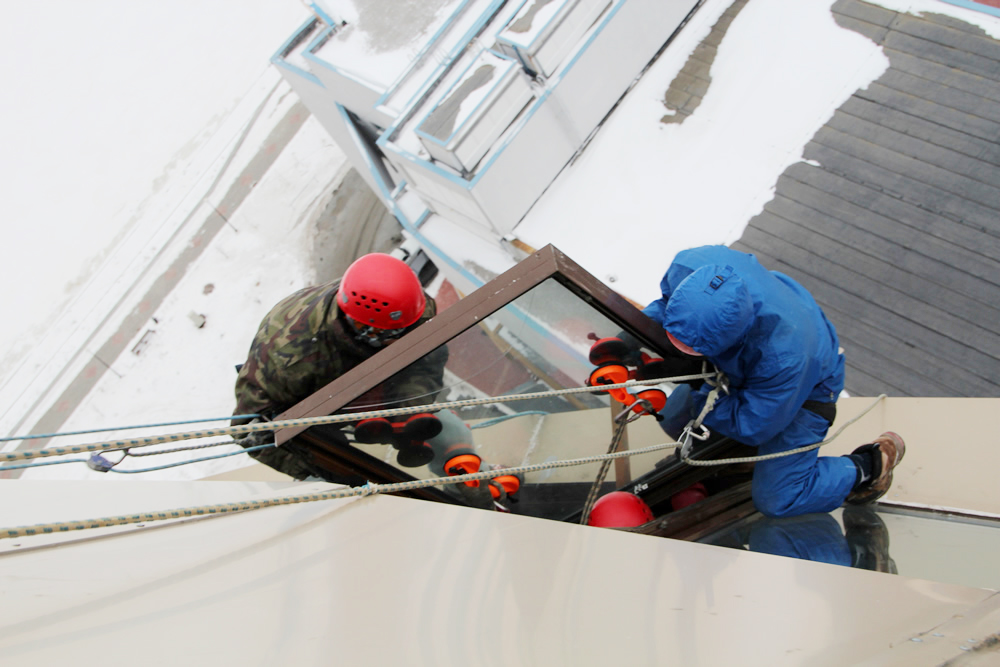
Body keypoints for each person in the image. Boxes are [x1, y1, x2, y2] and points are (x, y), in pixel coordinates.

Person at [644, 245, 904, 518]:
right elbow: (668, 304)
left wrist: (700, 386)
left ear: (736, 335)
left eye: (693, 349)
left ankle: (869, 467)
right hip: (759, 356)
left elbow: (753, 424)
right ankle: (742, 461)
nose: (680, 347)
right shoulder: (690, 265)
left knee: (779, 498)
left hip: (808, 386)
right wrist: (630, 342)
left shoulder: (784, 358)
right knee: (673, 417)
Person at [232, 253, 448, 481]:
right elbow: (246, 431)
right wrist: (331, 468)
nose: (402, 337)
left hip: (358, 371)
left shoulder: (409, 309)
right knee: (353, 470)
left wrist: (410, 407)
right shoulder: (289, 357)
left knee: (428, 426)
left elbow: (425, 359)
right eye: (394, 334)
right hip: (313, 402)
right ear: (367, 330)